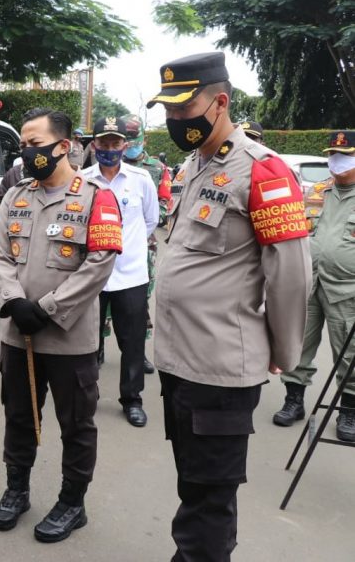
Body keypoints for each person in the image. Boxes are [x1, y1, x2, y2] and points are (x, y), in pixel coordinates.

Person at [147, 52, 310, 560]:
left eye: (182, 108)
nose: (174, 121)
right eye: (168, 112)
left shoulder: (264, 171)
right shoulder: (194, 165)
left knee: (209, 504)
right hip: (179, 363)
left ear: (219, 102)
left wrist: (285, 351)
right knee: (193, 488)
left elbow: (290, 275)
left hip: (219, 372)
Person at [0, 108, 123, 543]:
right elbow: (0, 254)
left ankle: (72, 501)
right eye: (23, 144)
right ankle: (17, 489)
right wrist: (13, 300)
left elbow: (99, 264)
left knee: (76, 424)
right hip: (18, 333)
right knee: (19, 416)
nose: (27, 151)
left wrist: (46, 308)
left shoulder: (97, 197)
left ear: (63, 146)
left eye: (34, 143)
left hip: (69, 337)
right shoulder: (16, 194)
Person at [272, 131, 355, 440]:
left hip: (347, 289)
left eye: (344, 154)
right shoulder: (317, 192)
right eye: (332, 154)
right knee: (298, 343)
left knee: (349, 351)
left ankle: (349, 409)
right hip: (308, 281)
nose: (336, 160)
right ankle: (294, 400)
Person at [82, 116, 158, 427]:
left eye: (115, 143)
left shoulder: (140, 179)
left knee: (133, 341)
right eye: (104, 143)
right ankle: (87, 396)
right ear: (93, 145)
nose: (110, 149)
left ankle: (132, 399)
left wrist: (129, 246)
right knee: (87, 340)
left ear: (124, 146)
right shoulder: (82, 179)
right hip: (92, 276)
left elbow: (151, 220)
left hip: (131, 275)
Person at [121, 114, 173, 373]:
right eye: (126, 141)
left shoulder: (157, 169)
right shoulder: (106, 161)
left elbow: (165, 204)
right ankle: (95, 350)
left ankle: (137, 353)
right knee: (101, 297)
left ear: (145, 139)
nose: (130, 146)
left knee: (139, 300)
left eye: (135, 141)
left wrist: (141, 226)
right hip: (108, 241)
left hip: (144, 244)